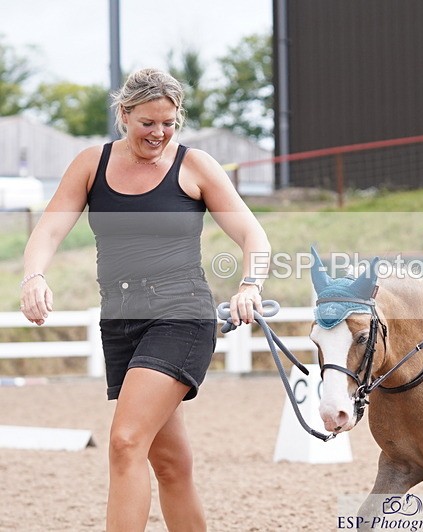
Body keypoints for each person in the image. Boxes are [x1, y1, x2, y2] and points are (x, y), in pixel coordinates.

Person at [19, 68, 270, 531]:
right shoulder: (91, 163)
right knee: (171, 465)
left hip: (180, 316)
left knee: (125, 442)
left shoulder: (195, 166)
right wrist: (33, 276)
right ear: (124, 114)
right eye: (148, 123)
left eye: (169, 123)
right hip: (120, 322)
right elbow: (49, 229)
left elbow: (253, 235)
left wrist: (250, 285)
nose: (159, 134)